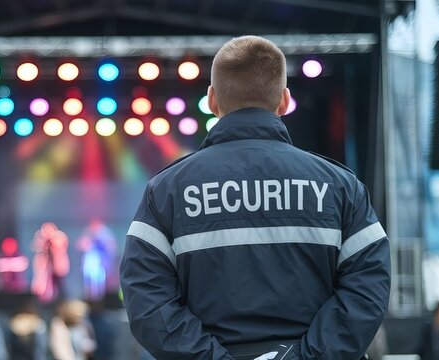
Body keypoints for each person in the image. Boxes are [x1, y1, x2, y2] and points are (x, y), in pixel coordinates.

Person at [119, 35, 391, 360]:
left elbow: (146, 299)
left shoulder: (165, 190)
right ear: (285, 100)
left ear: (212, 100)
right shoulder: (341, 186)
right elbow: (368, 286)